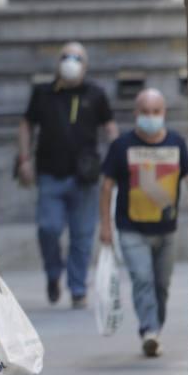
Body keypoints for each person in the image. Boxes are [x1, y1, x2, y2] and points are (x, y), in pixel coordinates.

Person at [17, 41, 117, 308]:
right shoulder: (43, 93)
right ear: (57, 62)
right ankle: (53, 274)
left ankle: (77, 288)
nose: (71, 61)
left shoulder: (95, 94)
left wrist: (115, 160)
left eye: (77, 57)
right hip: (50, 174)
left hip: (85, 177)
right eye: (66, 56)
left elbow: (110, 128)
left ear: (85, 65)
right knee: (48, 229)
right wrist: (24, 159)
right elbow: (26, 124)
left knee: (82, 236)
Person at [99, 89, 188, 358]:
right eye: (145, 112)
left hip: (166, 229)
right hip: (131, 228)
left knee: (162, 284)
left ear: (164, 113)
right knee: (142, 279)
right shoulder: (122, 146)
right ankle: (148, 330)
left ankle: (155, 329)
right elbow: (106, 187)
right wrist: (105, 226)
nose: (151, 117)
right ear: (135, 114)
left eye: (156, 111)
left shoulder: (176, 143)